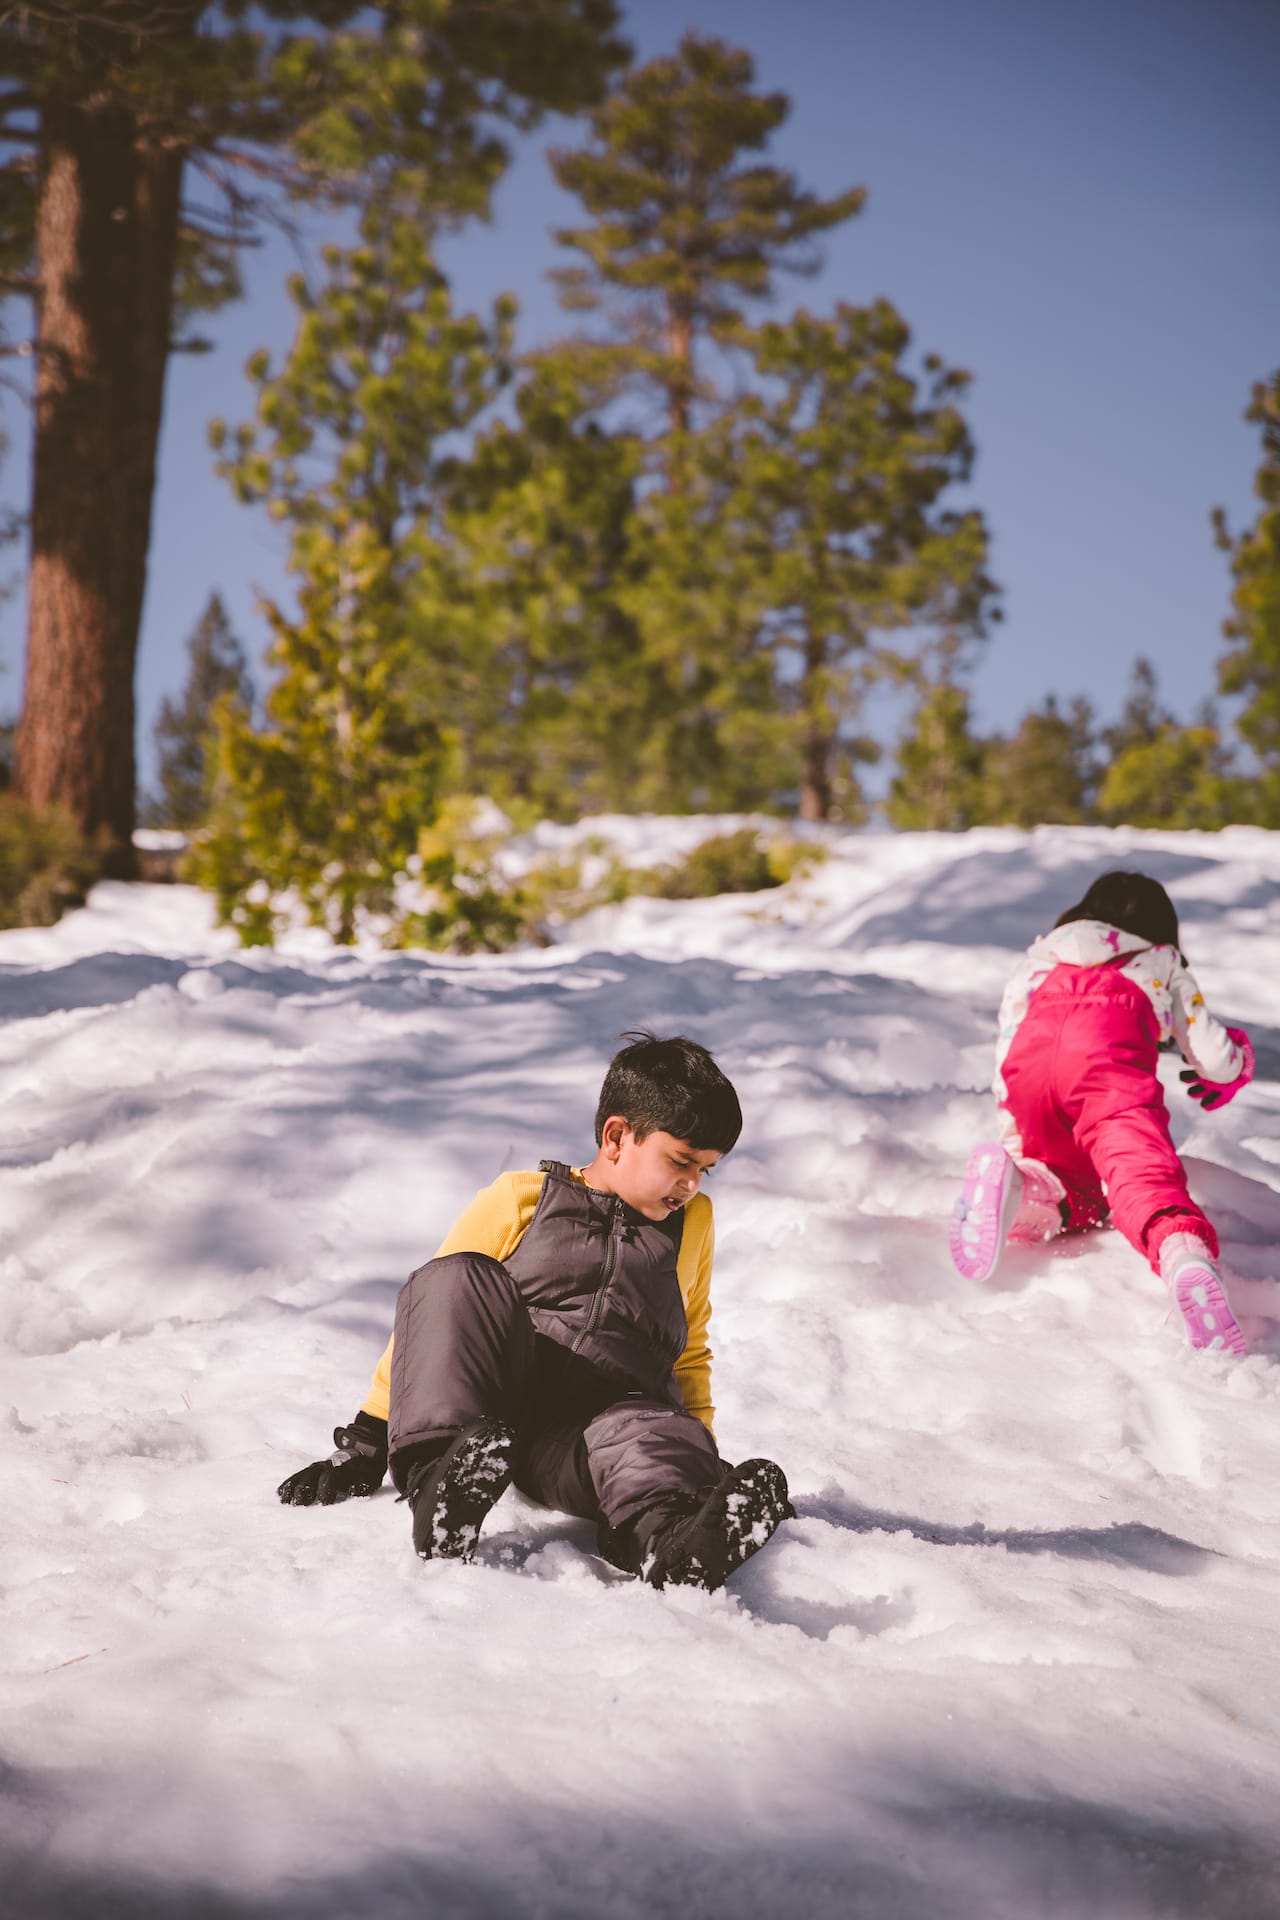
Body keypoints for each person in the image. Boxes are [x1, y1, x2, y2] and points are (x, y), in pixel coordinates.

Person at [278, 1031, 792, 1590]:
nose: (691, 1184)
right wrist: (366, 1442)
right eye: (681, 1161)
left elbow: (690, 1349)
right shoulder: (523, 1199)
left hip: (595, 1438)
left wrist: (698, 1463)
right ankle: (437, 1483)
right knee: (456, 1276)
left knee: (646, 1435)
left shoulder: (693, 1225)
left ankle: (672, 1540)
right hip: (490, 1426)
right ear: (617, 1136)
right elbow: (434, 1318)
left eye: (706, 1170)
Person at [949, 871, 1254, 1355]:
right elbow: (1213, 1058)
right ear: (1161, 928)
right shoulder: (1161, 962)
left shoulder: (1038, 962)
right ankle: (1184, 1258)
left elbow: (1008, 1046)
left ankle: (1019, 1184)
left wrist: (1014, 1142)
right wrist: (1236, 1065)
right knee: (1142, 1179)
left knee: (1073, 1189)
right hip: (1108, 1080)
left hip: (1031, 1080)